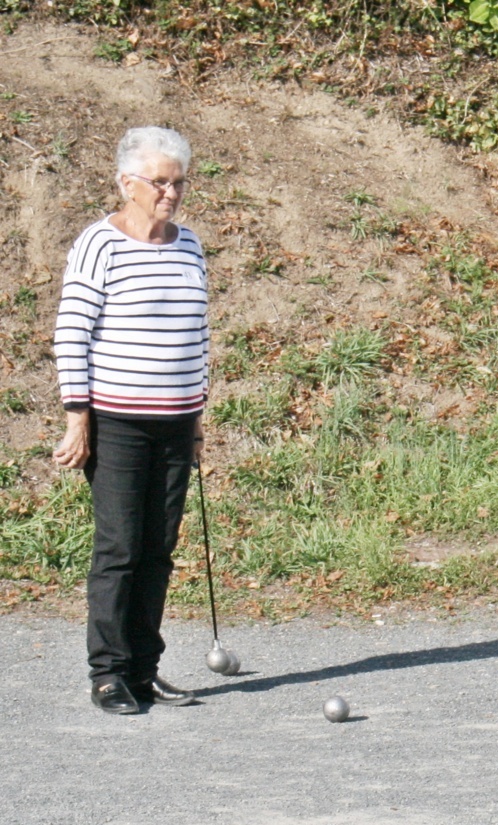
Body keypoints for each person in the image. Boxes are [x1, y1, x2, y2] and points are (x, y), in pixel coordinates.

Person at [53, 126, 209, 714]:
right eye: (159, 182)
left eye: (178, 183)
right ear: (127, 183)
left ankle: (145, 671)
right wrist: (77, 419)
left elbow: (198, 336)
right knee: (120, 546)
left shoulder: (188, 244)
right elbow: (72, 333)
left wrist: (196, 415)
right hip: (117, 421)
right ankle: (108, 673)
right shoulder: (100, 244)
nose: (170, 194)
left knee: (158, 549)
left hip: (175, 421)